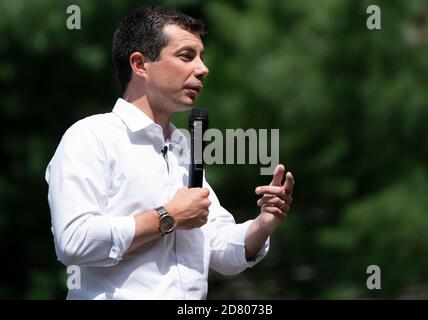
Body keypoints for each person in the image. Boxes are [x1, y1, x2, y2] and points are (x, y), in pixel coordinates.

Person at [45, 5, 294, 300]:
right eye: (186, 56)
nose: (203, 69)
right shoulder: (91, 136)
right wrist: (168, 216)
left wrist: (263, 224)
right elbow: (73, 242)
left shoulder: (182, 147)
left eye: (201, 57)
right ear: (140, 64)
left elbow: (219, 250)